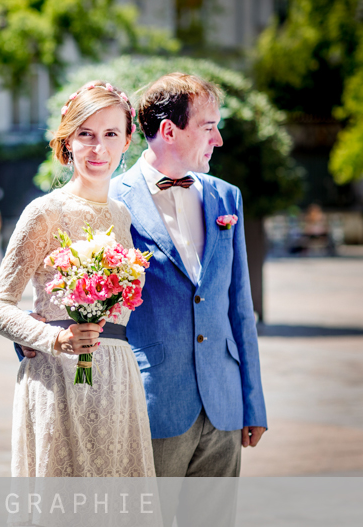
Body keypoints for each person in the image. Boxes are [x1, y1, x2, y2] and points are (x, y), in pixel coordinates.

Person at [0, 81, 155, 477]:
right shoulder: (45, 211)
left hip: (119, 379)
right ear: (68, 141)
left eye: (110, 134)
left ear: (127, 140)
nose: (98, 148)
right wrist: (53, 338)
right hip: (58, 377)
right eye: (86, 134)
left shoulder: (123, 215)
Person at [108, 73, 267, 481]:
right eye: (208, 127)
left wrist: (253, 403)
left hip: (224, 408)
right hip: (151, 406)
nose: (218, 140)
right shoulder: (110, 201)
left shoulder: (227, 197)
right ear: (168, 131)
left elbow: (240, 307)